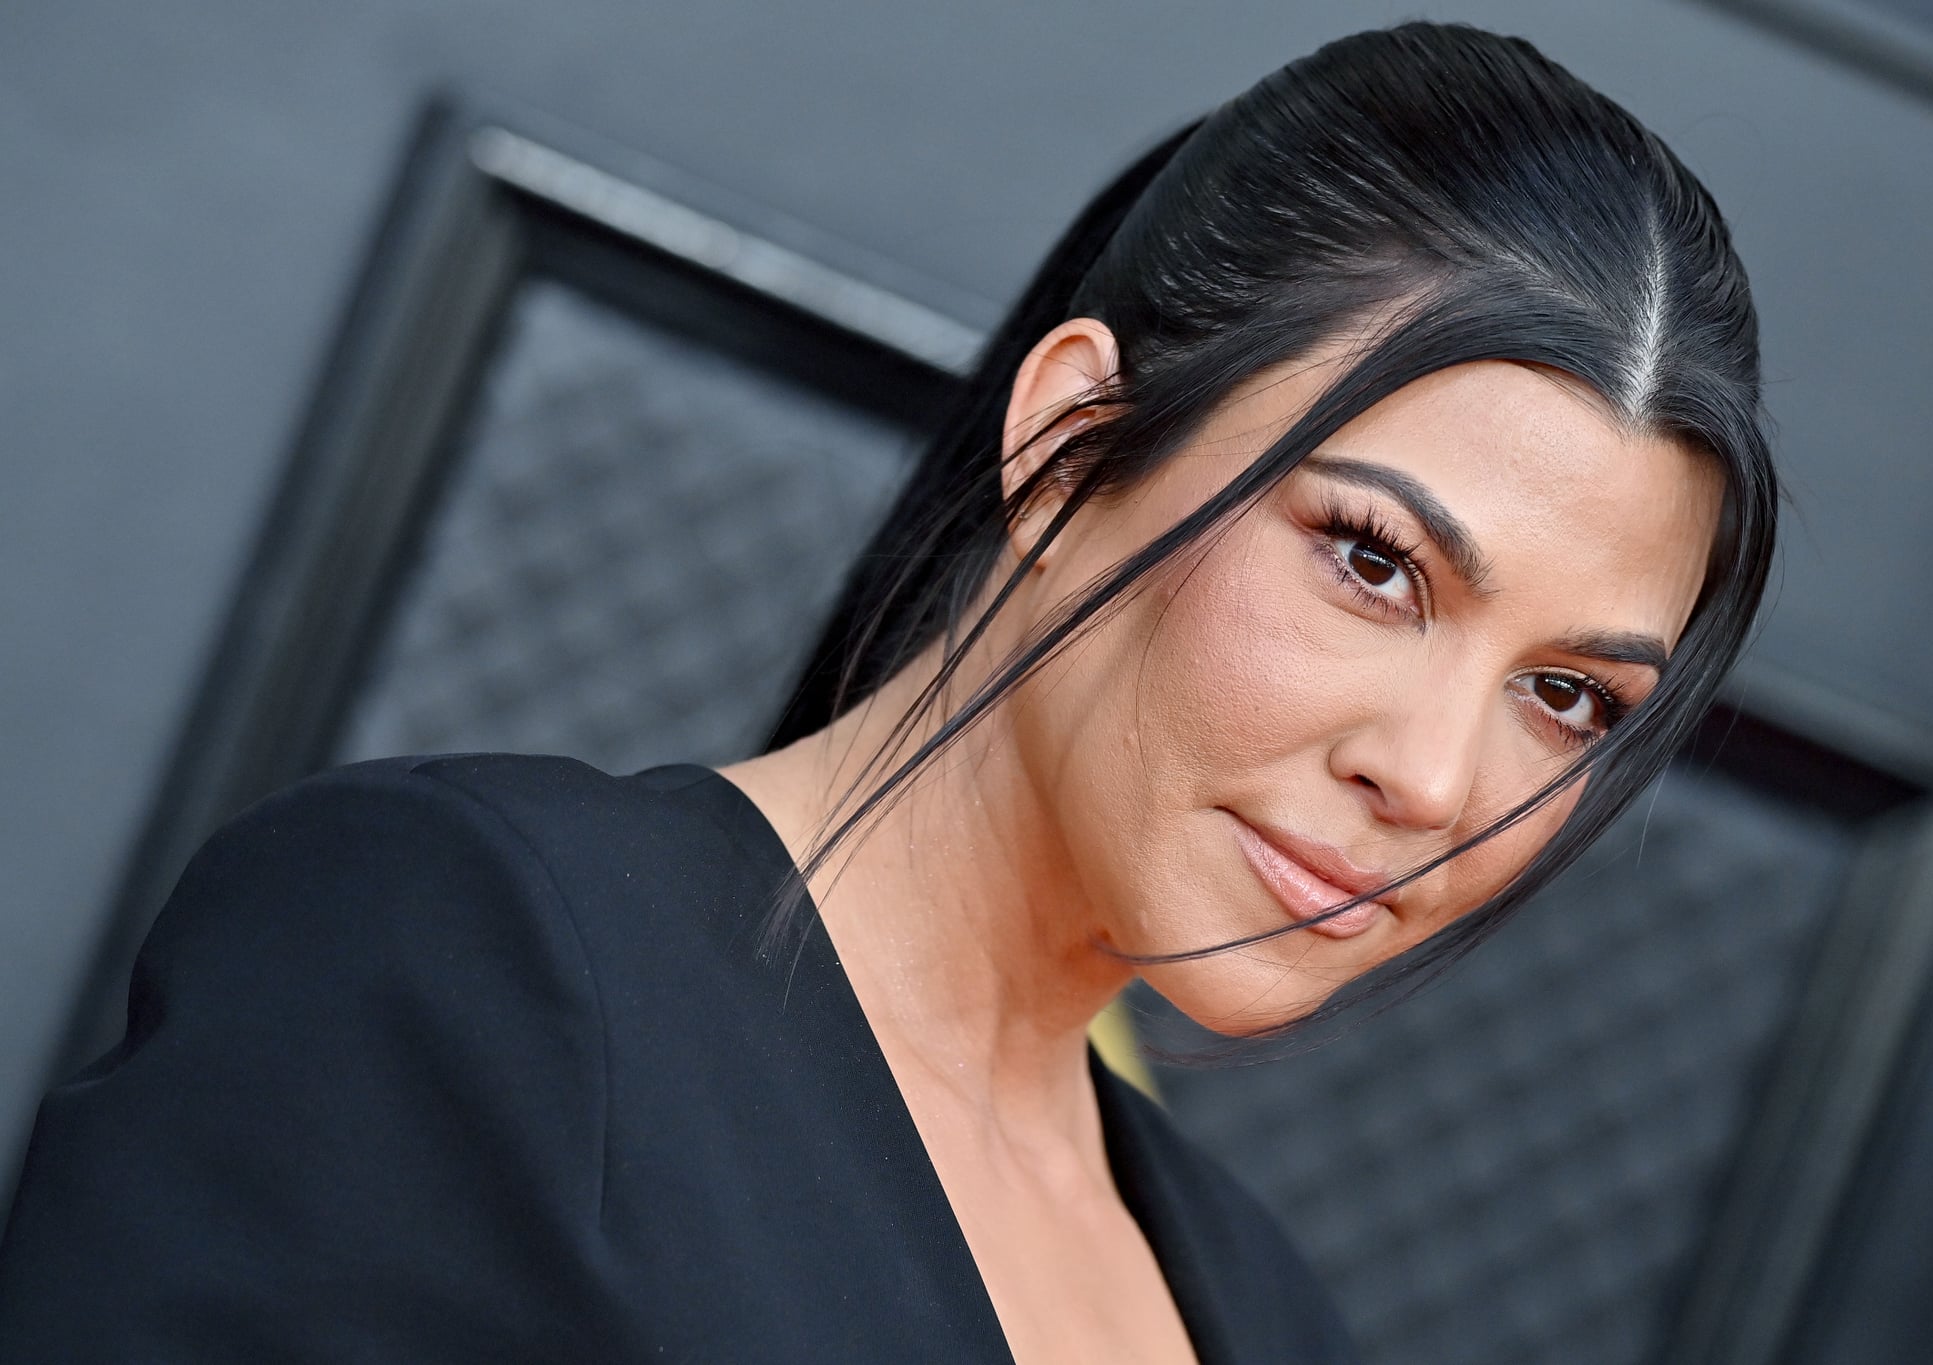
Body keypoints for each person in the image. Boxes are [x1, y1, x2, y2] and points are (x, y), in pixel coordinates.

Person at [0, 20, 1775, 1364]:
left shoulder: (1260, 1314)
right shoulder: (467, 960)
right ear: (1075, 443)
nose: (1444, 775)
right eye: (1375, 561)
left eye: (1565, 697)